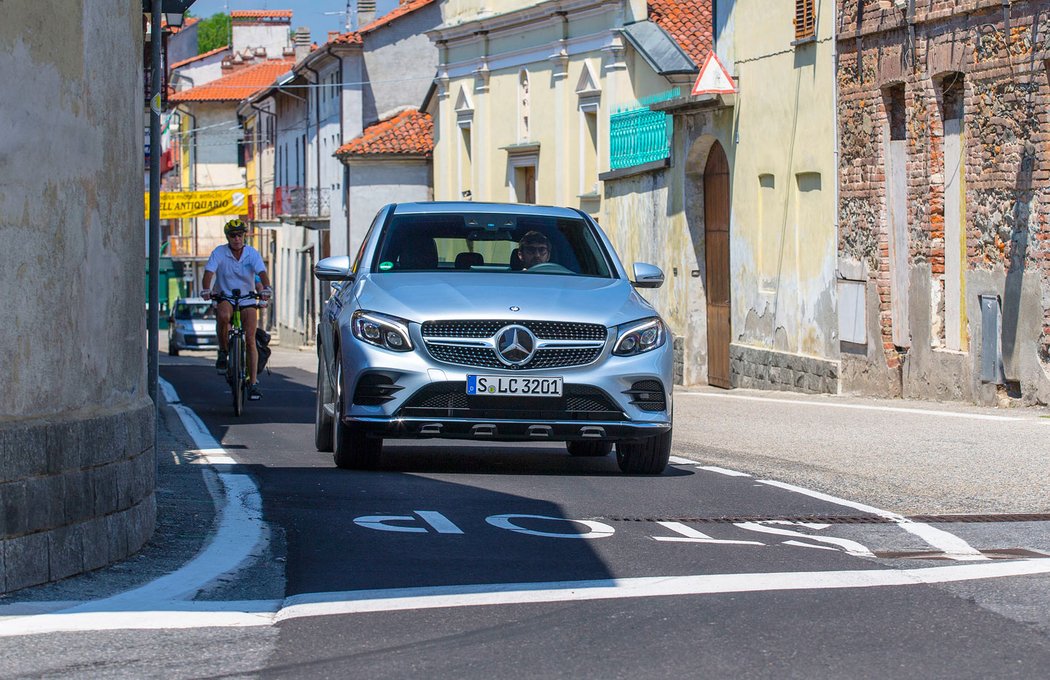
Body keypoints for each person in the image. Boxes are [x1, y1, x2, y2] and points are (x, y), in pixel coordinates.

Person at [201, 218, 272, 400]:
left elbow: (262, 273)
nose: (236, 239)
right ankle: (224, 351)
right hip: (226, 296)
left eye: (239, 235)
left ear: (244, 236)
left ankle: (254, 382)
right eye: (233, 236)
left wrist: (266, 288)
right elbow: (209, 272)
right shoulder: (219, 252)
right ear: (228, 237)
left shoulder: (252, 254)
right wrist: (206, 289)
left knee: (250, 339)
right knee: (223, 316)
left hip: (247, 298)